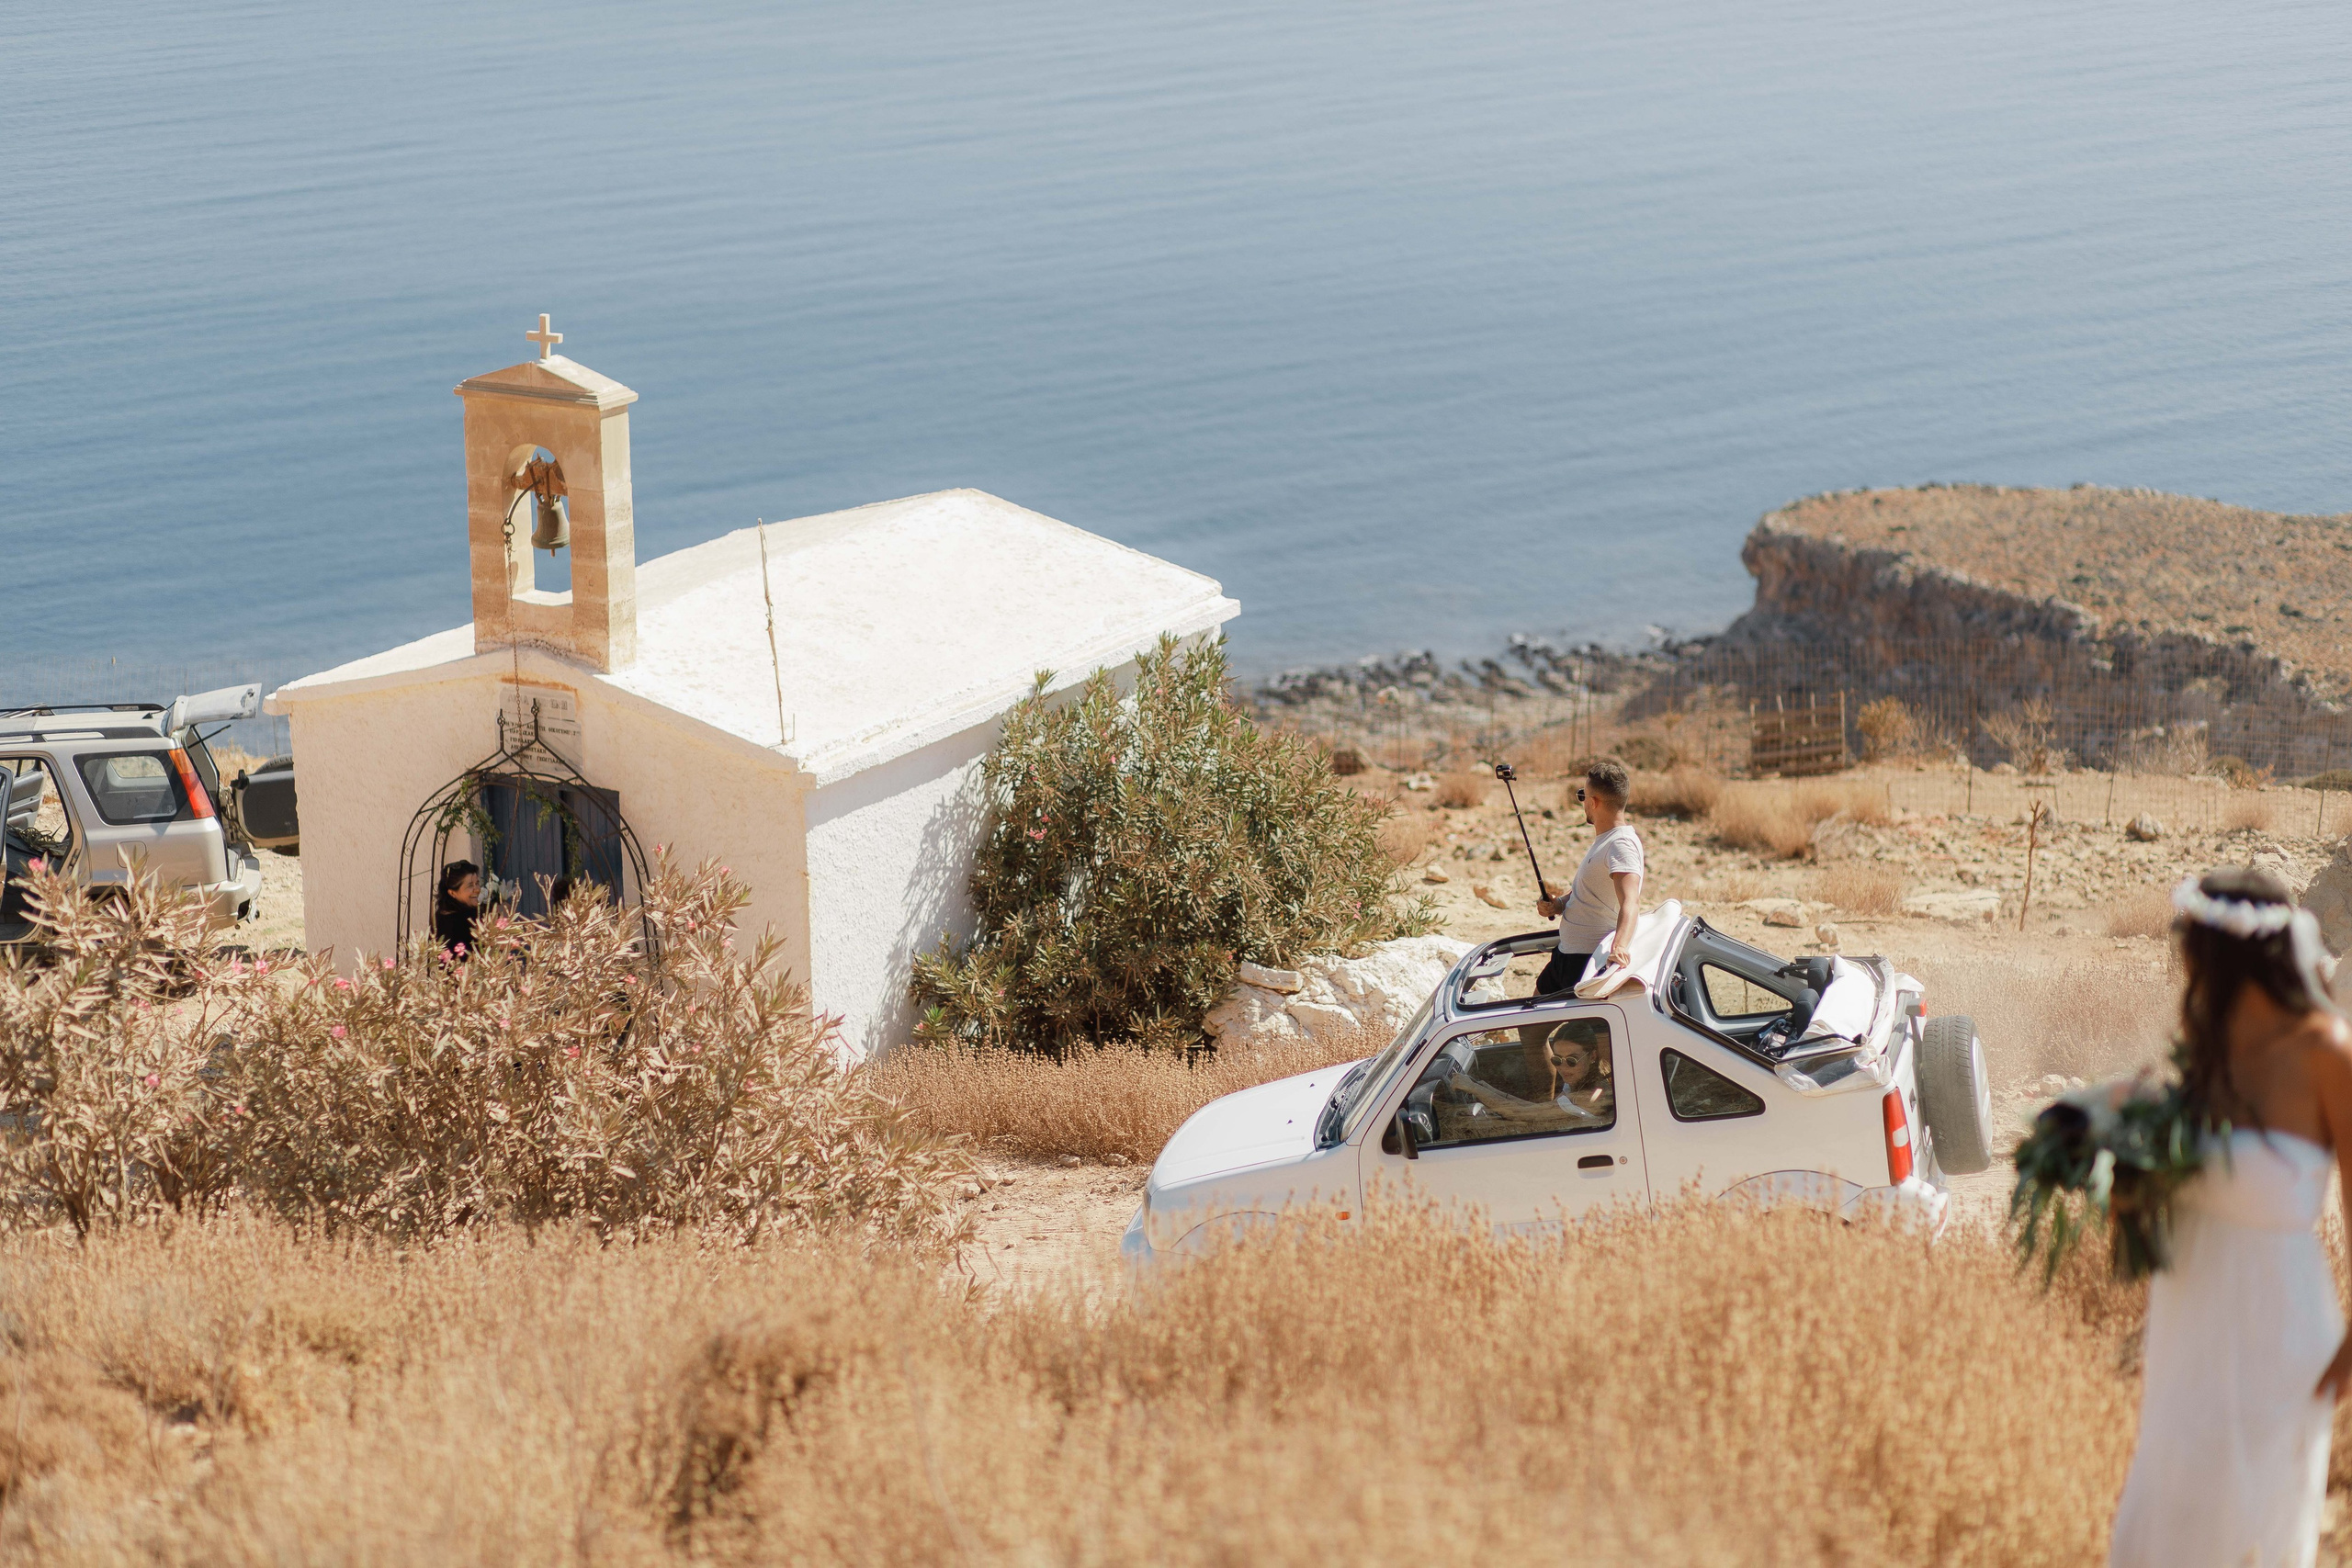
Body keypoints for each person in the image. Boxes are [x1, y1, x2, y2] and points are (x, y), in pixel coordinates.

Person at [2107, 867, 2352, 1568]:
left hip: (2283, 1337)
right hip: (2188, 1329)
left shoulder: (2328, 1052)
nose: (2183, 957)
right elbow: (2157, 1209)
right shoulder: (2201, 1055)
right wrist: (2125, 1179)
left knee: (2253, 1539)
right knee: (2153, 1533)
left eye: (2194, 943)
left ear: (2231, 954)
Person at [1534, 758, 1644, 997]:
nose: (1582, 802)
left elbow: (1631, 901)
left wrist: (1620, 947)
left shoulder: (1621, 845)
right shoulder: (1606, 840)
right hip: (1565, 954)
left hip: (1585, 962)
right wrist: (1558, 904)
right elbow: (1589, 892)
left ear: (1593, 802)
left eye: (1582, 795)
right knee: (1531, 1029)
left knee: (1577, 1035)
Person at [433, 860, 482, 960]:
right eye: (470, 885)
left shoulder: (447, 914)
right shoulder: (457, 920)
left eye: (477, 883)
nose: (477, 889)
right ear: (452, 893)